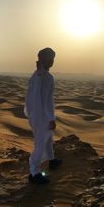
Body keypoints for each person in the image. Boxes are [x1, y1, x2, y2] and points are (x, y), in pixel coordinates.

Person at [24, 47, 62, 184]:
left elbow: (30, 99)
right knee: (40, 144)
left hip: (37, 115)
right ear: (44, 60)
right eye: (50, 59)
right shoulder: (43, 77)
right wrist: (50, 118)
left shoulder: (38, 75)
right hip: (42, 117)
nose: (52, 62)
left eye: (53, 59)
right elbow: (45, 101)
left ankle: (51, 160)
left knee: (48, 139)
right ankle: (34, 173)